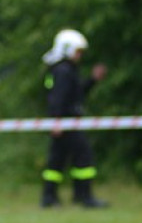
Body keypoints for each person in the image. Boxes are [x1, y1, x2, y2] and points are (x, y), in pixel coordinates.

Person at [40, 29, 109, 208]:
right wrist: (57, 121)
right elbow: (58, 98)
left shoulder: (65, 69)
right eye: (78, 51)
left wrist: (93, 80)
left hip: (66, 122)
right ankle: (84, 196)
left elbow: (76, 95)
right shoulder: (63, 71)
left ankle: (50, 197)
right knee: (83, 156)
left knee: (57, 160)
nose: (80, 55)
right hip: (66, 122)